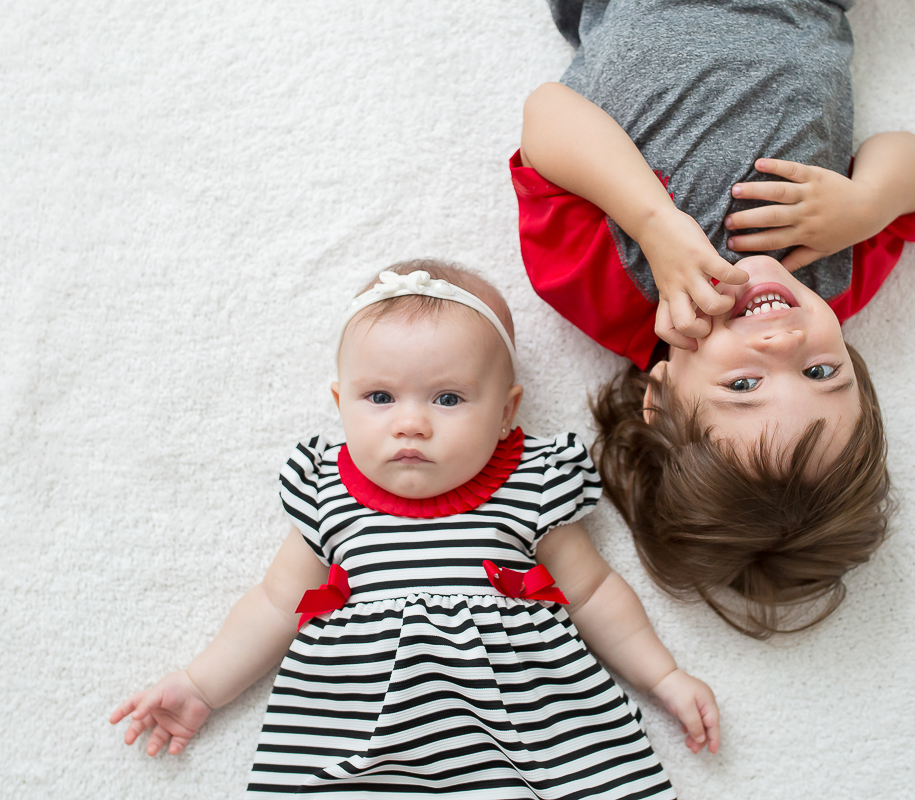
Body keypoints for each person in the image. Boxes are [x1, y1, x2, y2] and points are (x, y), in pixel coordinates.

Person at [110, 259, 718, 798]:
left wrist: (661, 675)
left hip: (529, 732)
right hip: (360, 733)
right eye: (378, 397)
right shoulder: (326, 490)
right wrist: (200, 684)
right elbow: (275, 604)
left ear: (507, 412)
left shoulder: (531, 482)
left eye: (448, 399)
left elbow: (592, 593)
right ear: (339, 401)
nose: (411, 424)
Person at [510, 0, 915, 638]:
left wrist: (652, 222)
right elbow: (911, 159)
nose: (785, 339)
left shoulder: (602, 287)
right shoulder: (833, 276)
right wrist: (869, 201)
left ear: (659, 402)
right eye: (823, 369)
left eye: (744, 386)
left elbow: (546, 114)